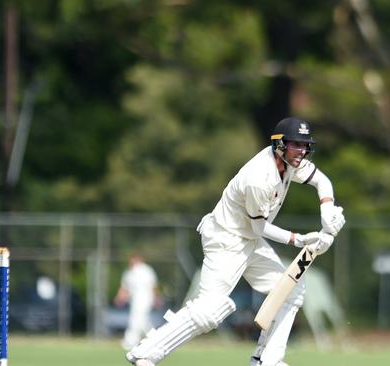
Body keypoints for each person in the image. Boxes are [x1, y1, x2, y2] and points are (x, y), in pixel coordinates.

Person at [126, 117, 346, 366]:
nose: (302, 152)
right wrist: (299, 239)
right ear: (279, 145)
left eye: (305, 145)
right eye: (296, 145)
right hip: (226, 239)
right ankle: (145, 353)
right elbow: (259, 226)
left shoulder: (291, 161)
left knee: (291, 290)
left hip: (250, 240)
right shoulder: (259, 178)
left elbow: (322, 181)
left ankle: (268, 360)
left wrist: (327, 211)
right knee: (209, 311)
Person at [115, 254, 161, 350]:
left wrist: (156, 298)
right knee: (142, 320)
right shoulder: (129, 272)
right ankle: (155, 339)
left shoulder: (147, 270)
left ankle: (130, 341)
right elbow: (125, 287)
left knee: (136, 319)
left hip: (146, 298)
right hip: (134, 299)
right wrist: (120, 297)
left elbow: (153, 285)